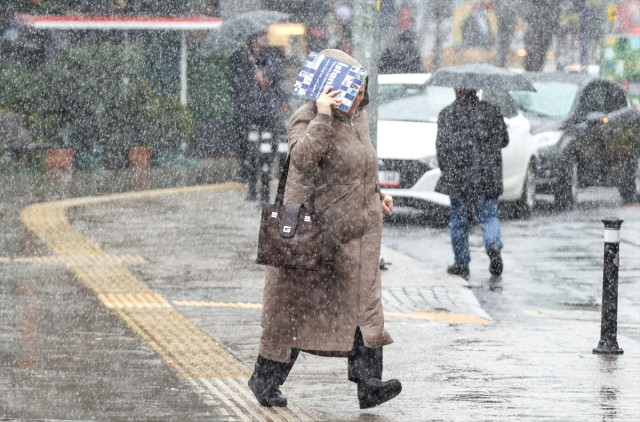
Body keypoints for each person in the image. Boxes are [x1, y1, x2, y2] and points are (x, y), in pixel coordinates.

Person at [248, 49, 402, 410]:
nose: (359, 98)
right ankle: (265, 378)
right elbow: (301, 161)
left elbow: (359, 170)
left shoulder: (358, 121)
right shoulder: (306, 119)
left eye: (363, 91)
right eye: (353, 92)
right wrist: (322, 115)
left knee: (365, 308)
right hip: (320, 239)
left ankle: (369, 383)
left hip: (358, 238)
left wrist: (377, 196)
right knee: (296, 312)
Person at [435, 88, 509, 279]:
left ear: (456, 90)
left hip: (459, 177)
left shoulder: (447, 114)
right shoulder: (492, 111)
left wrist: (448, 170)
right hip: (487, 176)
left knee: (459, 221)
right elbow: (504, 141)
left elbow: (441, 148)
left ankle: (461, 263)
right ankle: (493, 244)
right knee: (489, 216)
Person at [227, 31, 289, 201]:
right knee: (251, 151)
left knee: (266, 151)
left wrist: (283, 101)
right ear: (253, 39)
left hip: (267, 112)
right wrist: (251, 80)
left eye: (265, 36)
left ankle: (265, 192)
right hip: (247, 112)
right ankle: (253, 189)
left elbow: (277, 82)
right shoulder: (241, 59)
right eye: (260, 36)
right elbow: (233, 83)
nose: (264, 39)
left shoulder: (271, 59)